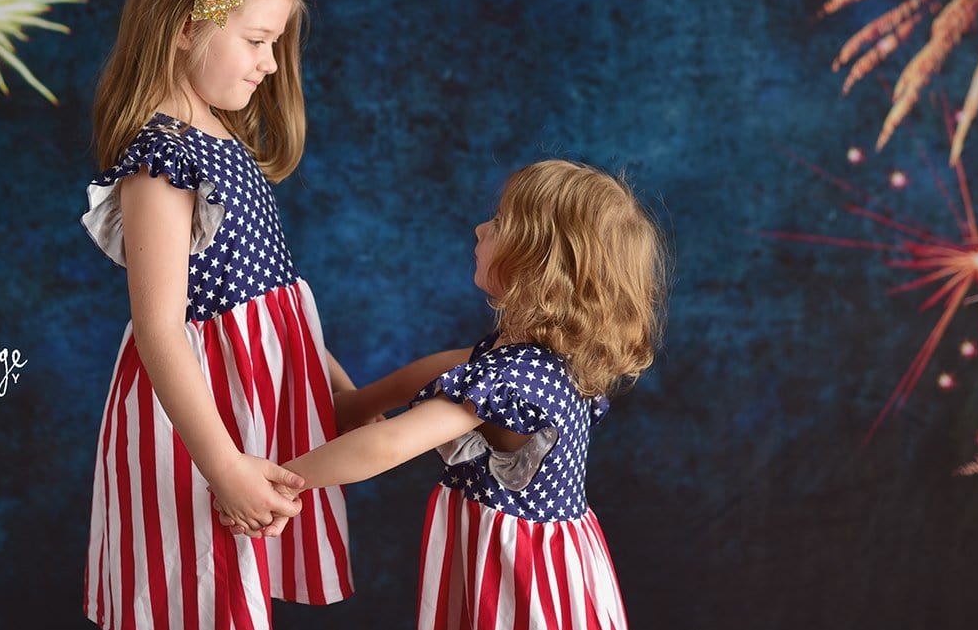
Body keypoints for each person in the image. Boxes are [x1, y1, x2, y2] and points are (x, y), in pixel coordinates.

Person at [247, 159, 668, 629]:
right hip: (537, 562)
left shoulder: (516, 378)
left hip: (525, 586)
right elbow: (424, 376)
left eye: (502, 222)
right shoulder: (530, 358)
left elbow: (388, 445)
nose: (480, 226)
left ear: (538, 264)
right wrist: (353, 398)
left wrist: (274, 484)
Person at [81, 0, 353, 629]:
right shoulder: (163, 156)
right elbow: (160, 327)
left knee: (234, 592)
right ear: (183, 26)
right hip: (200, 421)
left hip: (251, 401)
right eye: (258, 41)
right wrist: (223, 464)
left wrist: (328, 380)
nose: (269, 64)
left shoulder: (217, 133)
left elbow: (269, 300)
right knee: (197, 594)